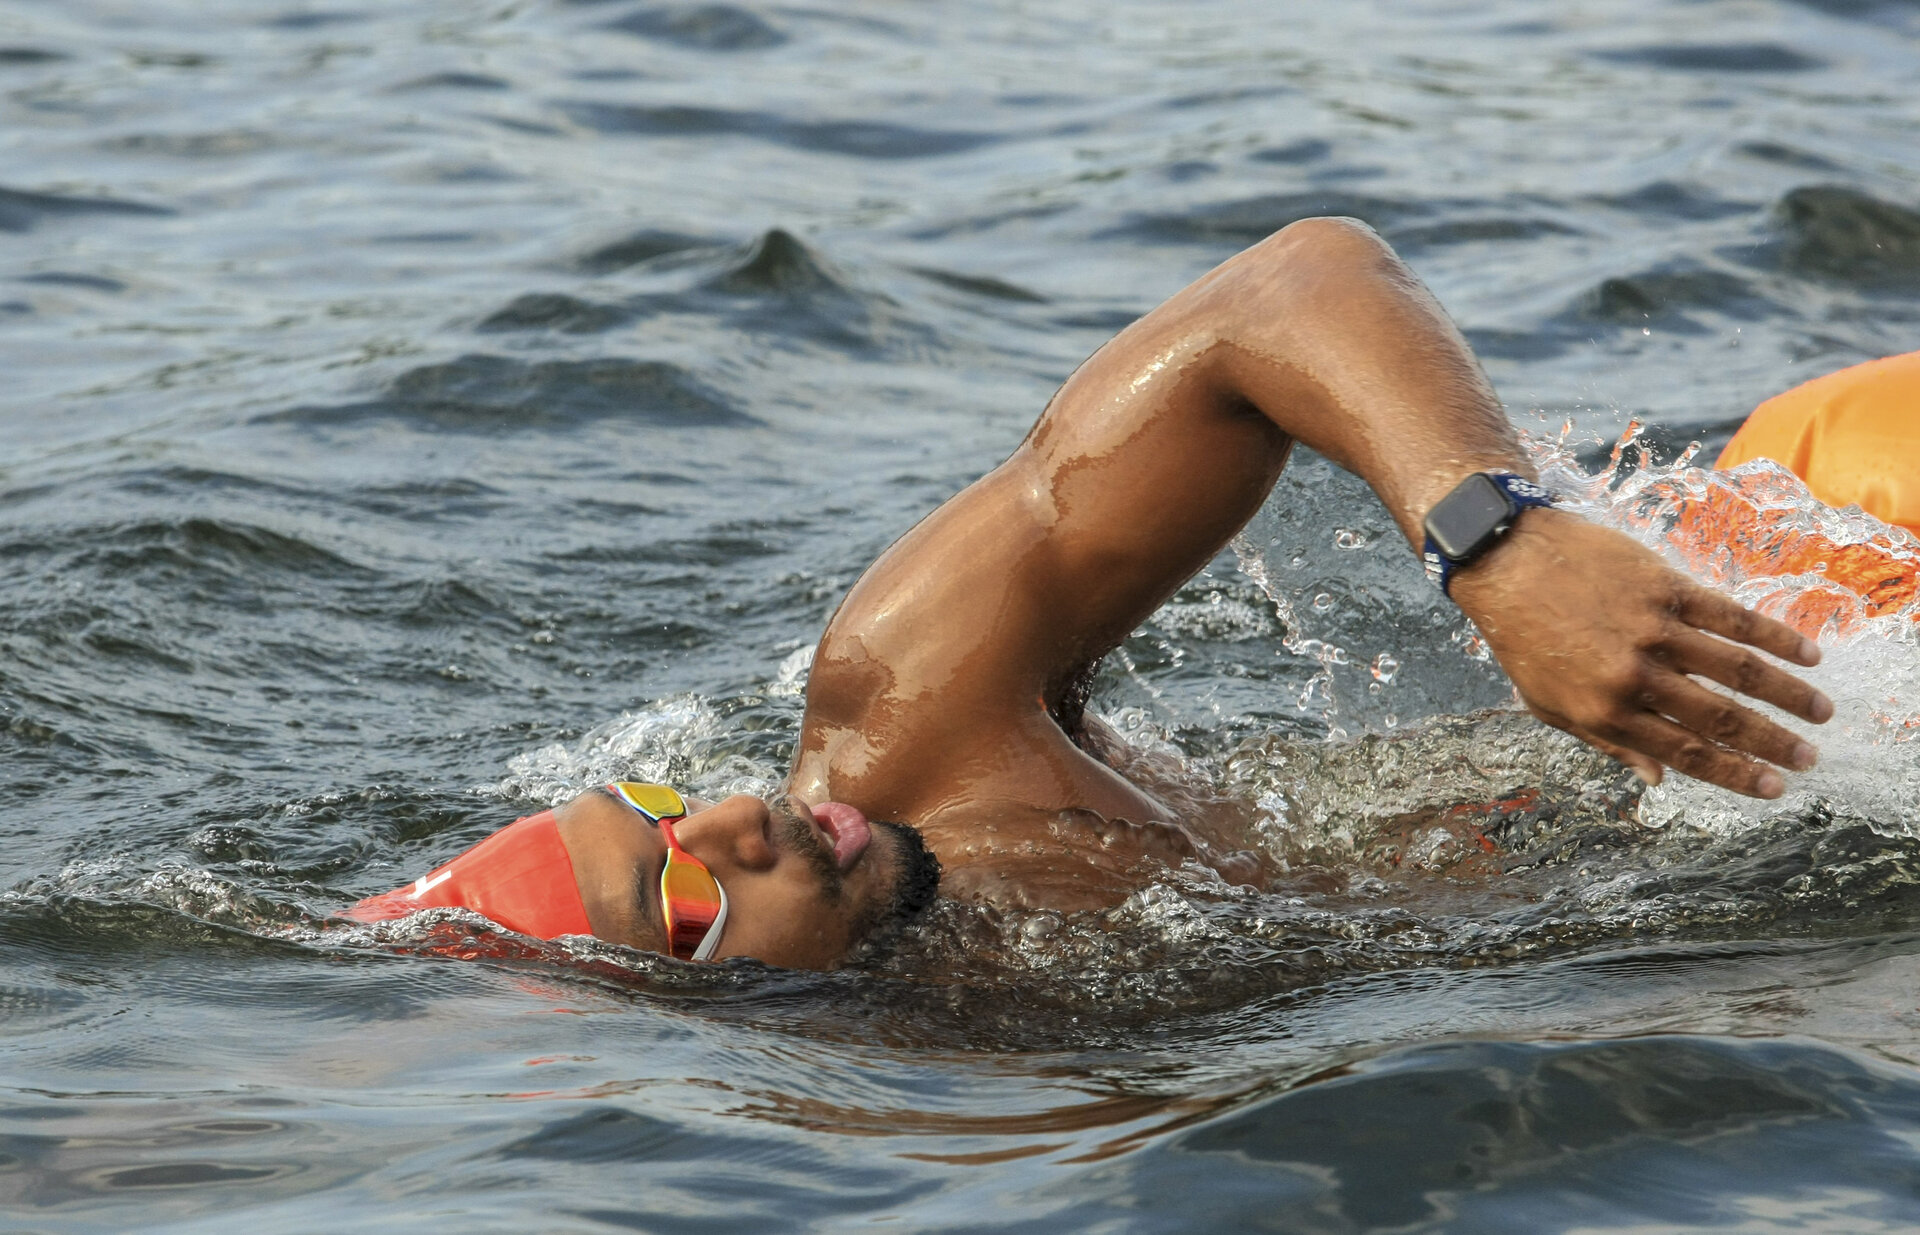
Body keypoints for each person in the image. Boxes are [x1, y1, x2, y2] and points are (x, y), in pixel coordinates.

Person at [350, 217, 1835, 961]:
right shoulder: (930, 1123)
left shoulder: (912, 713)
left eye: (666, 810)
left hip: (1736, 685)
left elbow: (1285, 291)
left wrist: (1498, 542)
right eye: (679, 887)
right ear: (666, 1016)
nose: (732, 817)